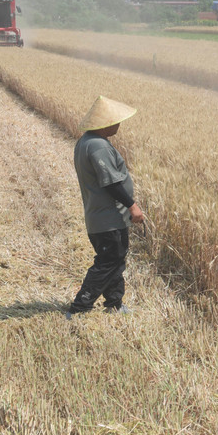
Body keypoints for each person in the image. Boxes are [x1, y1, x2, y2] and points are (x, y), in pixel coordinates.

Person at [67, 96, 145, 316]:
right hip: (108, 218)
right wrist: (132, 206)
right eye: (116, 121)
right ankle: (79, 307)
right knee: (107, 262)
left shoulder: (86, 141)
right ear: (104, 123)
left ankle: (114, 304)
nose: (119, 124)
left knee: (114, 261)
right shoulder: (98, 146)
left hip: (100, 216)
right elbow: (111, 183)